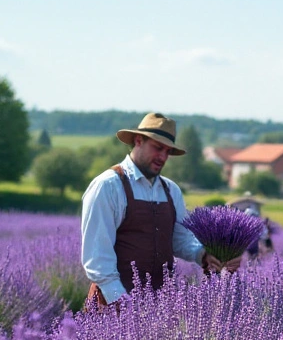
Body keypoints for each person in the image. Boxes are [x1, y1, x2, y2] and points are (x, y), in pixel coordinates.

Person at [81, 112, 239, 308]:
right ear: (138, 141)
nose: (163, 157)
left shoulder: (171, 190)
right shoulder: (108, 186)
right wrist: (122, 302)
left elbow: (180, 239)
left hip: (160, 308)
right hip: (111, 305)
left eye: (167, 151)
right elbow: (97, 258)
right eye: (158, 148)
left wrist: (204, 255)